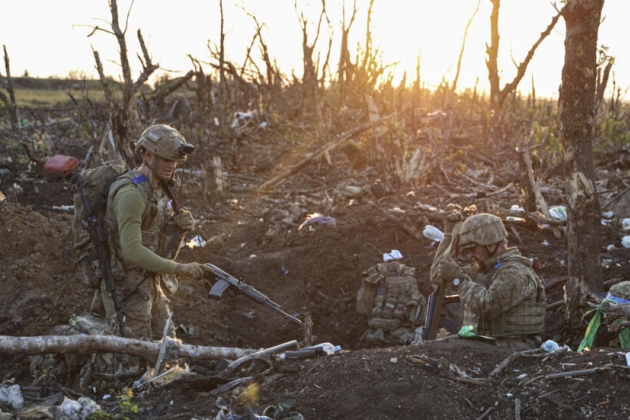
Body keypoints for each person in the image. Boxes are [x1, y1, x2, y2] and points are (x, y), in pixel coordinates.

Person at [99, 124, 211, 340]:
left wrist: (180, 228)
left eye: (175, 161)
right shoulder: (131, 194)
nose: (172, 166)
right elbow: (132, 251)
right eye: (166, 159)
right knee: (133, 357)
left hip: (151, 282)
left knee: (167, 350)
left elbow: (158, 243)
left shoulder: (160, 189)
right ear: (148, 156)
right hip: (126, 288)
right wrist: (179, 269)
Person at [431, 213, 546, 343]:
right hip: (484, 347)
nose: (470, 254)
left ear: (490, 245)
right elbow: (437, 277)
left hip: (511, 348)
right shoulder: (483, 269)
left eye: (472, 248)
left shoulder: (516, 272)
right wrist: (449, 236)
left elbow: (489, 305)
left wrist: (458, 279)